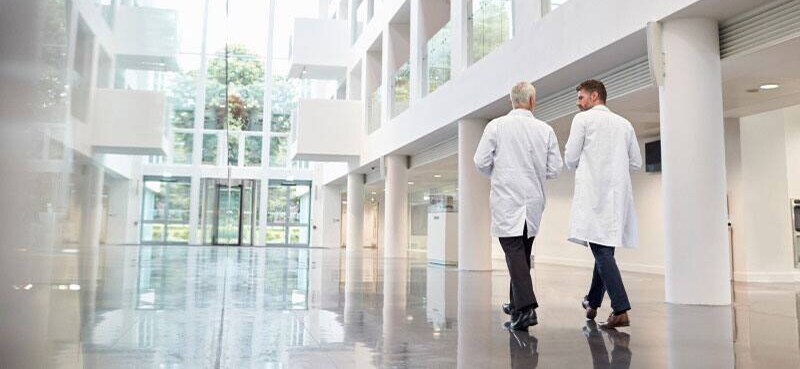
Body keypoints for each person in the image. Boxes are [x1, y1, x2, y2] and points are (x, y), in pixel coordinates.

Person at [474, 81, 563, 330]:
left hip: (507, 201)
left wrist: (498, 172)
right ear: (533, 101)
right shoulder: (545, 130)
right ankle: (516, 307)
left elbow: (480, 161)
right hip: (533, 203)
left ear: (511, 101)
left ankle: (526, 309)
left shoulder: (496, 126)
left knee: (514, 255)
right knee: (521, 255)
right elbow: (555, 169)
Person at [564, 79, 642, 329]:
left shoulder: (583, 121)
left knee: (601, 251)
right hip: (616, 198)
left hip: (593, 195)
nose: (578, 102)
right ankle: (592, 300)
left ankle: (620, 309)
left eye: (580, 97)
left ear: (594, 96)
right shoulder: (624, 124)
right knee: (604, 251)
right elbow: (636, 163)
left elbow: (570, 157)